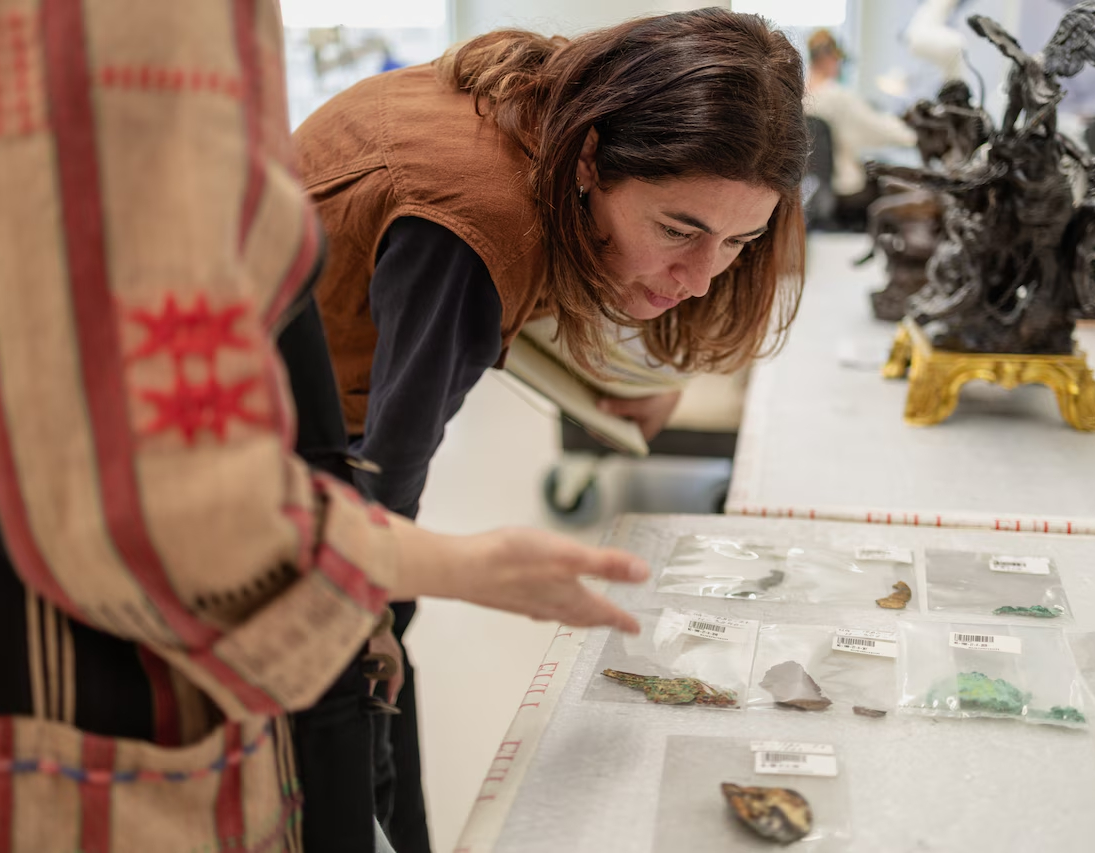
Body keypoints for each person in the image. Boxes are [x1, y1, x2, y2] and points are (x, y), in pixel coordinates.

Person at [0, 2, 648, 852]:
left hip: (278, 480)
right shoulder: (133, 29)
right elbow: (145, 481)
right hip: (122, 618)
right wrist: (450, 567)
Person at [293, 9, 810, 850]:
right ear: (592, 159)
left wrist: (621, 378)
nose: (700, 276)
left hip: (322, 393)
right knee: (353, 699)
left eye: (738, 242)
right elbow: (390, 479)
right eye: (678, 230)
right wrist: (391, 605)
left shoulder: (562, 102)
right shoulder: (472, 223)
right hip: (262, 445)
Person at [804, 29, 918, 230]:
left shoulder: (799, 96)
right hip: (845, 190)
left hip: (813, 191)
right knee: (907, 188)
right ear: (830, 58)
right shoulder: (836, 96)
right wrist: (915, 136)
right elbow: (877, 129)